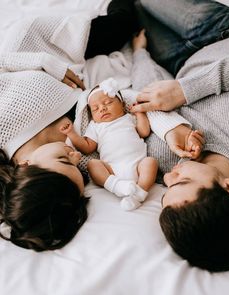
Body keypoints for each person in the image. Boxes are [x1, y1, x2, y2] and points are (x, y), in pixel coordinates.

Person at [0, 0, 139, 251]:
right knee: (128, 22)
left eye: (65, 161)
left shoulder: (4, 128)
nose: (75, 157)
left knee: (122, 23)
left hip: (35, 49)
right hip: (81, 70)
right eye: (78, 171)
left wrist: (45, 61)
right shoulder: (80, 154)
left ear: (25, 166)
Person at [130, 0, 229, 272]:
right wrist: (184, 91)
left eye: (165, 190)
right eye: (182, 180)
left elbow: (147, 98)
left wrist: (139, 54)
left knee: (133, 12)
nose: (168, 176)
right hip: (220, 34)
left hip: (176, 61)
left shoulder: (163, 162)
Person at [60, 77, 158, 211]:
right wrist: (72, 133)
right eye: (95, 109)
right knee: (92, 164)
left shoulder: (128, 118)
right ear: (91, 115)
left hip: (138, 165)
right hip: (111, 169)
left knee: (151, 162)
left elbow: (144, 132)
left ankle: (139, 194)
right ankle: (116, 186)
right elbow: (87, 147)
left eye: (108, 102)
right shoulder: (95, 127)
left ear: (123, 105)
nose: (102, 109)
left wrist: (140, 113)